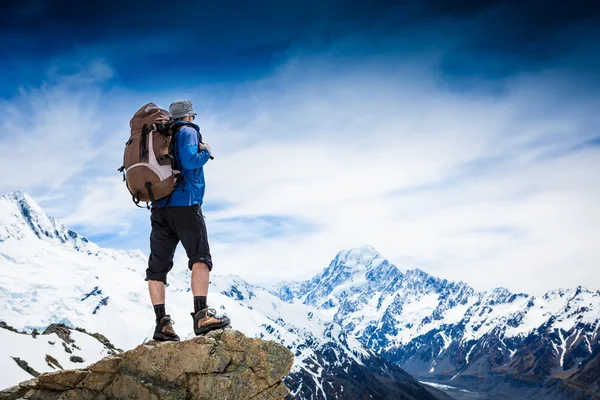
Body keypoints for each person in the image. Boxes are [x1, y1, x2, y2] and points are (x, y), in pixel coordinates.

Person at [146, 99, 230, 341]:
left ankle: (162, 324)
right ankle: (202, 316)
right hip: (186, 204)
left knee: (157, 268)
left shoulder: (161, 135)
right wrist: (206, 151)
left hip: (160, 206)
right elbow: (189, 160)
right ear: (189, 116)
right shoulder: (187, 131)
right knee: (200, 257)